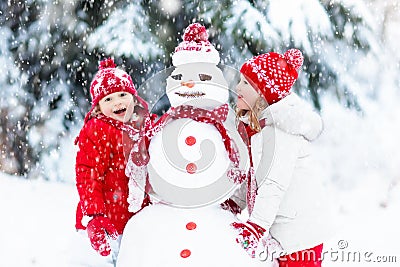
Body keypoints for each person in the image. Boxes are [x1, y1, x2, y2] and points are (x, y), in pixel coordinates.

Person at [232, 49, 331, 266]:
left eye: (246, 84)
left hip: (299, 235)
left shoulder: (280, 131)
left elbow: (273, 183)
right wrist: (235, 201)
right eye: (240, 81)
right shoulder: (259, 128)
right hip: (283, 230)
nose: (238, 87)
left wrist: (255, 227)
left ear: (263, 93)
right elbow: (254, 175)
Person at [74, 58, 152, 261]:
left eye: (122, 95)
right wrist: (94, 216)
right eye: (108, 99)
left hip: (135, 222)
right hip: (105, 224)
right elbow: (88, 174)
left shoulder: (142, 125)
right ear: (98, 106)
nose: (117, 102)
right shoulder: (97, 129)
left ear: (133, 98)